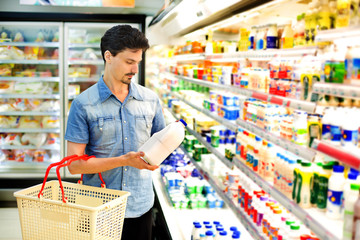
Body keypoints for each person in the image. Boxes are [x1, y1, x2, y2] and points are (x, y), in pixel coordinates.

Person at [64, 24, 165, 240]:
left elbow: (161, 145)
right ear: (108, 56)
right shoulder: (84, 104)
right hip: (99, 207)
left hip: (141, 206)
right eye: (129, 62)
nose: (135, 70)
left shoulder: (150, 100)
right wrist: (124, 160)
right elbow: (73, 165)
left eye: (138, 62)